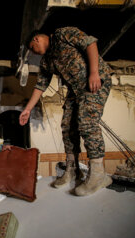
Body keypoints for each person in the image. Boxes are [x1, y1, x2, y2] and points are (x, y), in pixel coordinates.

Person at [19, 27, 113, 196]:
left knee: (87, 122)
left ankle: (99, 174)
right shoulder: (47, 61)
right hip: (75, 89)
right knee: (67, 126)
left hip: (94, 81)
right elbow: (41, 85)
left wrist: (94, 73)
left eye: (33, 49)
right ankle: (73, 170)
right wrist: (27, 109)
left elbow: (90, 43)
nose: (35, 53)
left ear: (37, 40)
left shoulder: (63, 34)